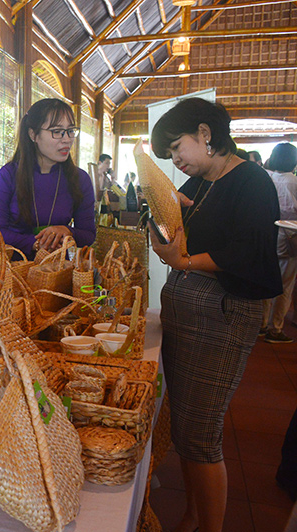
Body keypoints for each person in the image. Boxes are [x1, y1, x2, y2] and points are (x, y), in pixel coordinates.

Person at [149, 98, 281, 532]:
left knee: (201, 433)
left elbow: (246, 252)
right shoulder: (203, 182)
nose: (175, 159)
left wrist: (182, 261)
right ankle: (192, 515)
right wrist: (165, 215)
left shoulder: (251, 180)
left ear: (205, 133)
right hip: (190, 314)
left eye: (176, 147)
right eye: (168, 153)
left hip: (222, 317)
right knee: (185, 428)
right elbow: (185, 238)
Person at [0, 98, 96, 258]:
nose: (67, 139)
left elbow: (88, 234)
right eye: (57, 131)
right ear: (33, 134)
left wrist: (67, 231)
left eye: (70, 130)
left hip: (58, 267)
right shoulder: (8, 175)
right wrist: (35, 243)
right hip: (13, 266)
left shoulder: (80, 179)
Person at [261, 142, 297, 343]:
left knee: (266, 278)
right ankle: (275, 328)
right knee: (285, 285)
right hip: (291, 236)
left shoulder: (267, 179)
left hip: (268, 234)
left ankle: (261, 323)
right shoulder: (294, 182)